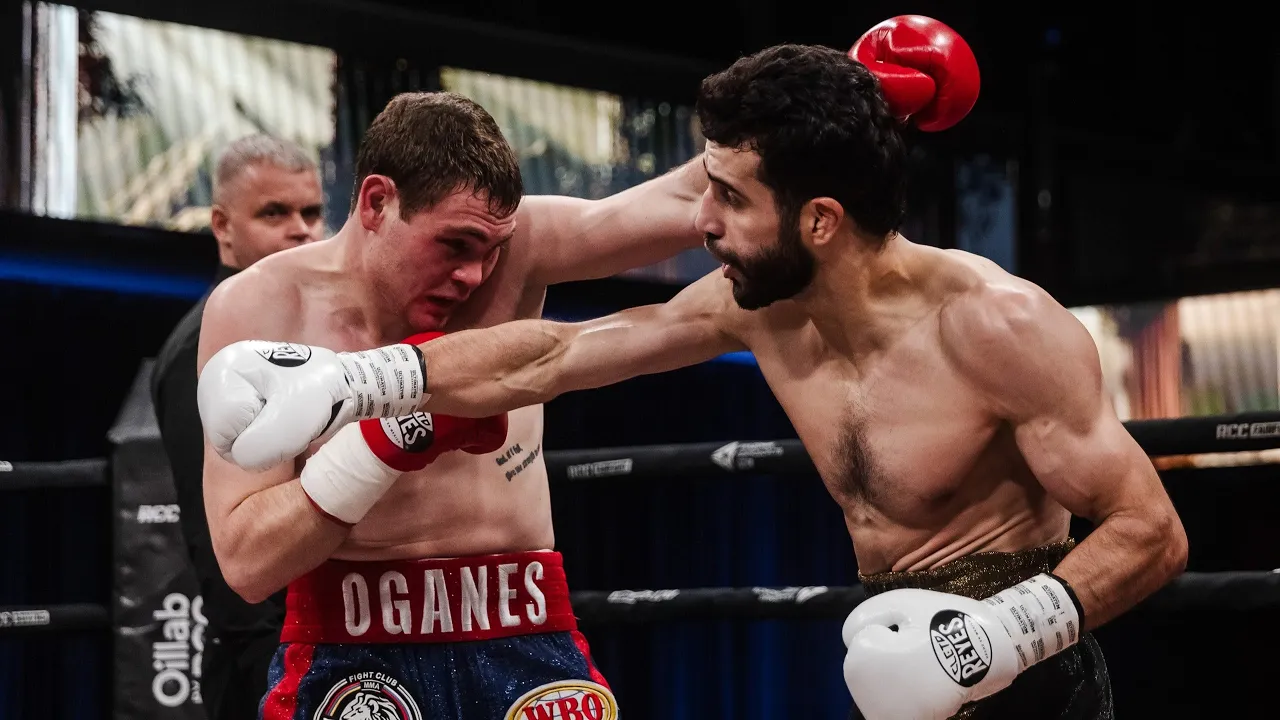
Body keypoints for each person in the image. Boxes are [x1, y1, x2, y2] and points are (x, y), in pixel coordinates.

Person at [197, 22, 1189, 720]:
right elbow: (561, 352)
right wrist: (370, 384)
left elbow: (1151, 531)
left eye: (728, 199)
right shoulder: (752, 305)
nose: (698, 220)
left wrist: (999, 636)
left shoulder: (997, 324)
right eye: (706, 188)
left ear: (818, 220)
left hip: (1027, 659)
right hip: (890, 648)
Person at [192, 91, 708, 719]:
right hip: (351, 651)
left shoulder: (517, 246)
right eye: (455, 245)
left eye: (492, 250)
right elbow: (247, 563)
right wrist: (380, 445)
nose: (475, 275)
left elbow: (689, 199)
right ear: (376, 202)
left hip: (526, 632)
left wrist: (793, 126)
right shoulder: (260, 307)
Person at [150, 133, 326, 720]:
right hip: (269, 662)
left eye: (311, 212)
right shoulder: (205, 348)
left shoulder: (310, 330)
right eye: (274, 213)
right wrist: (280, 684)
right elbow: (225, 551)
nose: (301, 230)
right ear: (223, 227)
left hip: (334, 648)